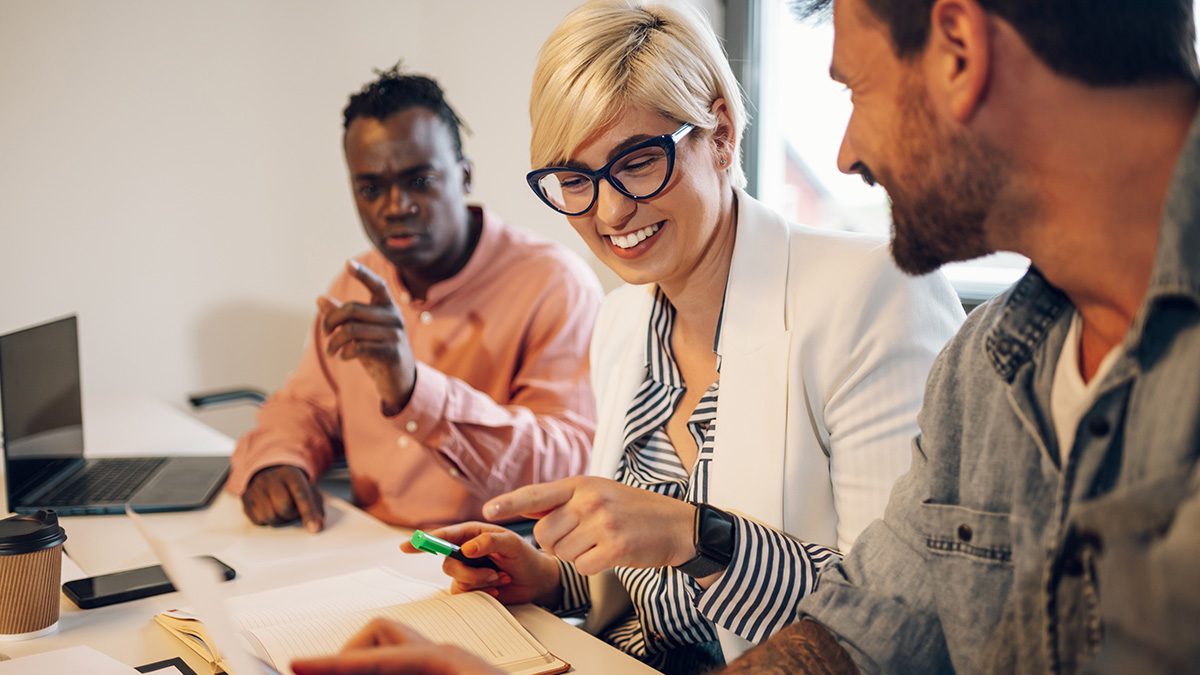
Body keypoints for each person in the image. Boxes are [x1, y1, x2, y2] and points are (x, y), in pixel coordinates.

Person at [402, 1, 961, 673]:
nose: (609, 211)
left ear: (720, 132)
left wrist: (698, 536)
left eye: (636, 161)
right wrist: (553, 577)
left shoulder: (875, 292)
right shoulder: (622, 323)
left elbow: (901, 617)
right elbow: (650, 582)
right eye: (575, 179)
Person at [716, 0, 1200, 672]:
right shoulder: (983, 370)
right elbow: (859, 634)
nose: (847, 153)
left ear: (960, 51)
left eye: (856, 88)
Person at [225, 67, 602, 532]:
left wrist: (413, 391)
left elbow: (566, 462)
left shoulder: (554, 284)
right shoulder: (354, 283)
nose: (395, 206)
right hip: (365, 546)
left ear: (464, 177)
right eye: (371, 189)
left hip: (497, 557)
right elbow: (307, 405)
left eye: (419, 181)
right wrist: (278, 462)